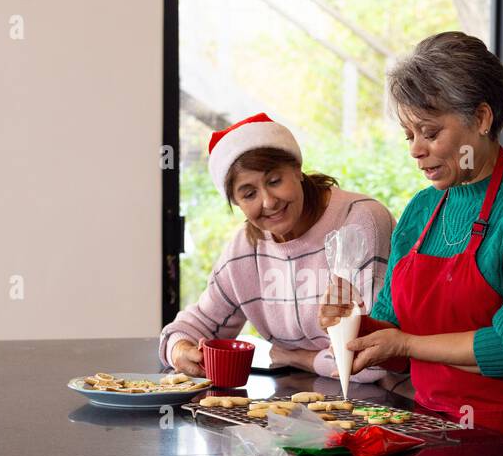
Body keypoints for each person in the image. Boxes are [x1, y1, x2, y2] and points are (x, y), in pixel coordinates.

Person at [320, 33, 503, 456]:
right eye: (409, 135)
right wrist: (355, 324)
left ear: (482, 118)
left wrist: (407, 342)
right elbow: (397, 338)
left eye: (430, 132)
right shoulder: (422, 211)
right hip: (436, 436)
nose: (416, 150)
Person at [161, 113, 395, 383]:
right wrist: (179, 350)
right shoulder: (245, 250)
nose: (269, 202)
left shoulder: (361, 222)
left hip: (383, 404)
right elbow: (192, 326)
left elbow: (373, 360)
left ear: (297, 169)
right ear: (236, 203)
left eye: (274, 181)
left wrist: (297, 358)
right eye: (249, 194)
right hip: (299, 407)